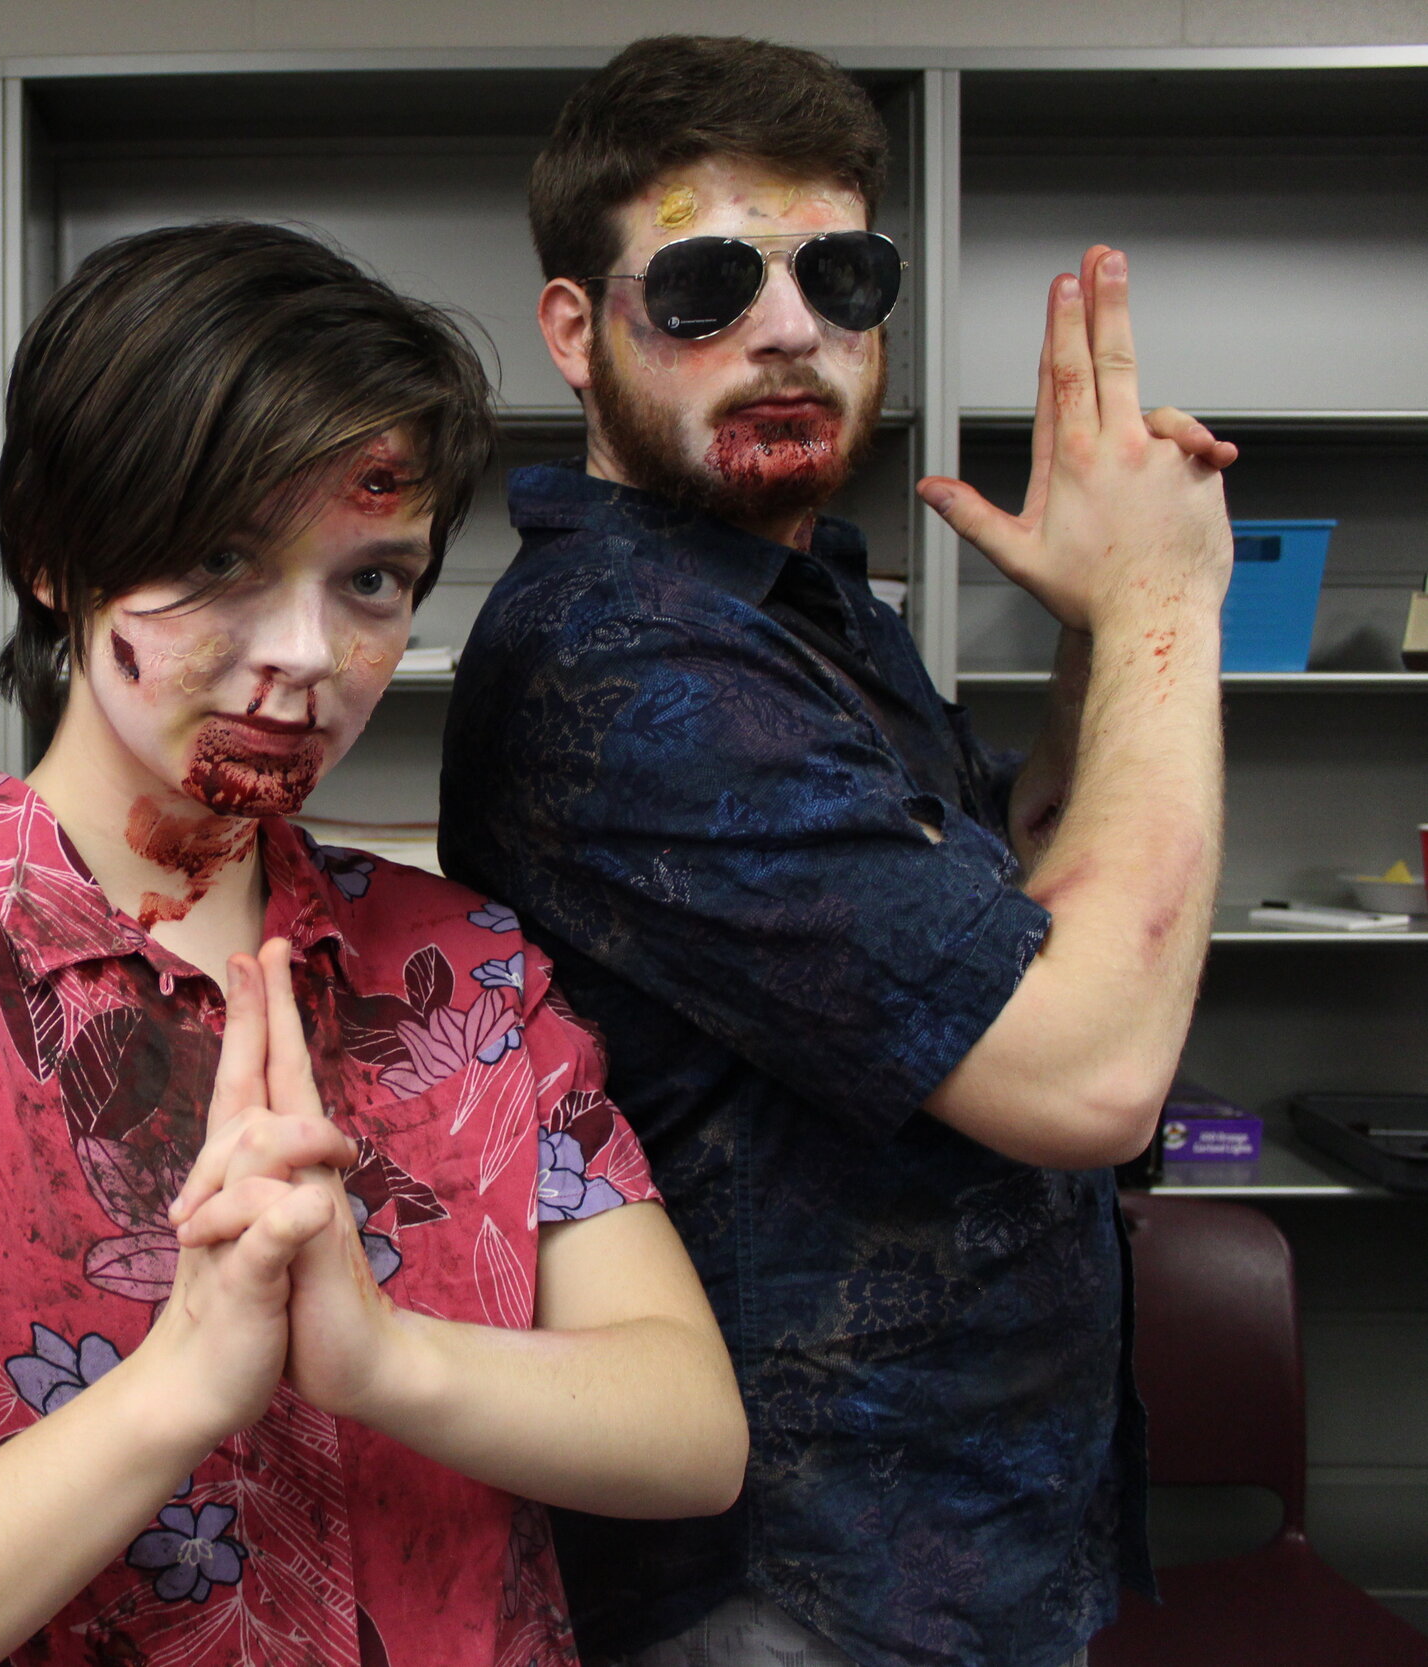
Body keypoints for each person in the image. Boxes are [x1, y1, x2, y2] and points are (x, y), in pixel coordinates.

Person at [0, 220, 748, 1667]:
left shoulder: (461, 968)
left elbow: (691, 1433)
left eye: (371, 579)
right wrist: (177, 1388)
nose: (306, 653)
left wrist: (386, 1362)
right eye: (222, 558)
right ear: (52, 555)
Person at [440, 35, 1240, 1667]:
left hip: (964, 1533)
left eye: (840, 276)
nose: (792, 330)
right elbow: (1083, 1070)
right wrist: (1169, 610)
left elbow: (1027, 889)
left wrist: (1100, 633)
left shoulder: (788, 604)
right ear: (575, 332)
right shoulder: (625, 652)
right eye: (707, 287)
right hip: (801, 1588)